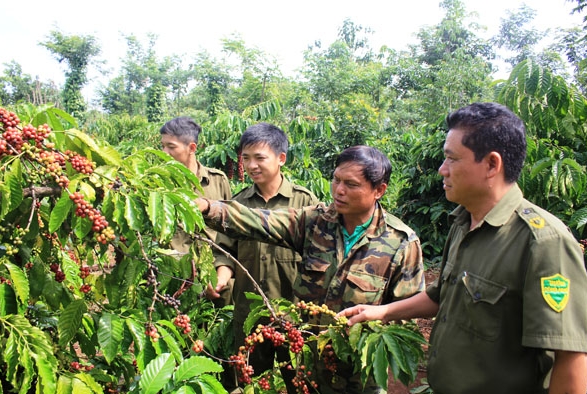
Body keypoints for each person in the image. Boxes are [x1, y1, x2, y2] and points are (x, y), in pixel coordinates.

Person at [338, 103, 587, 394]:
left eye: (451, 159)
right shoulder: (463, 223)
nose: (442, 170)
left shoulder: (544, 243)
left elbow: (570, 358)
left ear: (492, 165)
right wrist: (379, 312)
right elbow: (440, 296)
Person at [196, 145, 425, 394]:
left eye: (351, 184)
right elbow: (259, 221)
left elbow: (407, 316)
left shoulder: (400, 243)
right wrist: (208, 208)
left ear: (379, 190)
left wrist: (372, 322)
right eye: (336, 180)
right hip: (306, 367)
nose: (339, 190)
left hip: (357, 376)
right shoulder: (314, 223)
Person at [206, 122, 319, 391]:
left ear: (281, 159)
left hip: (294, 315)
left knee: (298, 379)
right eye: (246, 158)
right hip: (249, 316)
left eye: (260, 158)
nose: (252, 166)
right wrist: (220, 279)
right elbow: (225, 252)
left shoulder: (304, 202)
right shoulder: (238, 204)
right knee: (248, 380)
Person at [160, 116, 233, 306]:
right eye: (163, 146)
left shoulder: (218, 180)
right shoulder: (157, 184)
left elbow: (230, 228)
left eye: (171, 147)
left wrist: (221, 275)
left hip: (215, 279)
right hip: (174, 281)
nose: (164, 152)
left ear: (192, 148)